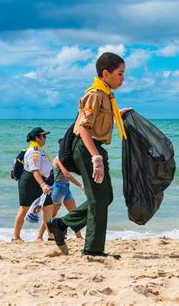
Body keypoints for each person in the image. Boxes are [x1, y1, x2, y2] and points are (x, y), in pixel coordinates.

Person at [47, 52, 130, 258]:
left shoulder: (106, 95)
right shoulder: (95, 94)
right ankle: (92, 249)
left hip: (93, 147)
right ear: (105, 73)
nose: (123, 78)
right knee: (97, 200)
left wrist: (117, 115)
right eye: (120, 74)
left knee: (105, 196)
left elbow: (98, 122)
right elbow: (84, 128)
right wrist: (96, 158)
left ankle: (61, 224)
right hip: (86, 148)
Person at [13, 127, 54, 243]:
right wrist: (43, 185)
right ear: (37, 138)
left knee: (49, 206)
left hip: (38, 180)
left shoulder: (38, 149)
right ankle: (16, 237)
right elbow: (34, 170)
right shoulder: (34, 151)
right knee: (24, 208)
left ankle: (50, 234)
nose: (45, 138)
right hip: (30, 181)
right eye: (44, 136)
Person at [49, 155, 85, 239]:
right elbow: (67, 174)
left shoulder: (65, 159)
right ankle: (40, 236)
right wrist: (80, 186)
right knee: (51, 214)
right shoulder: (58, 158)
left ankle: (79, 236)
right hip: (58, 188)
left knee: (74, 212)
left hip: (66, 188)